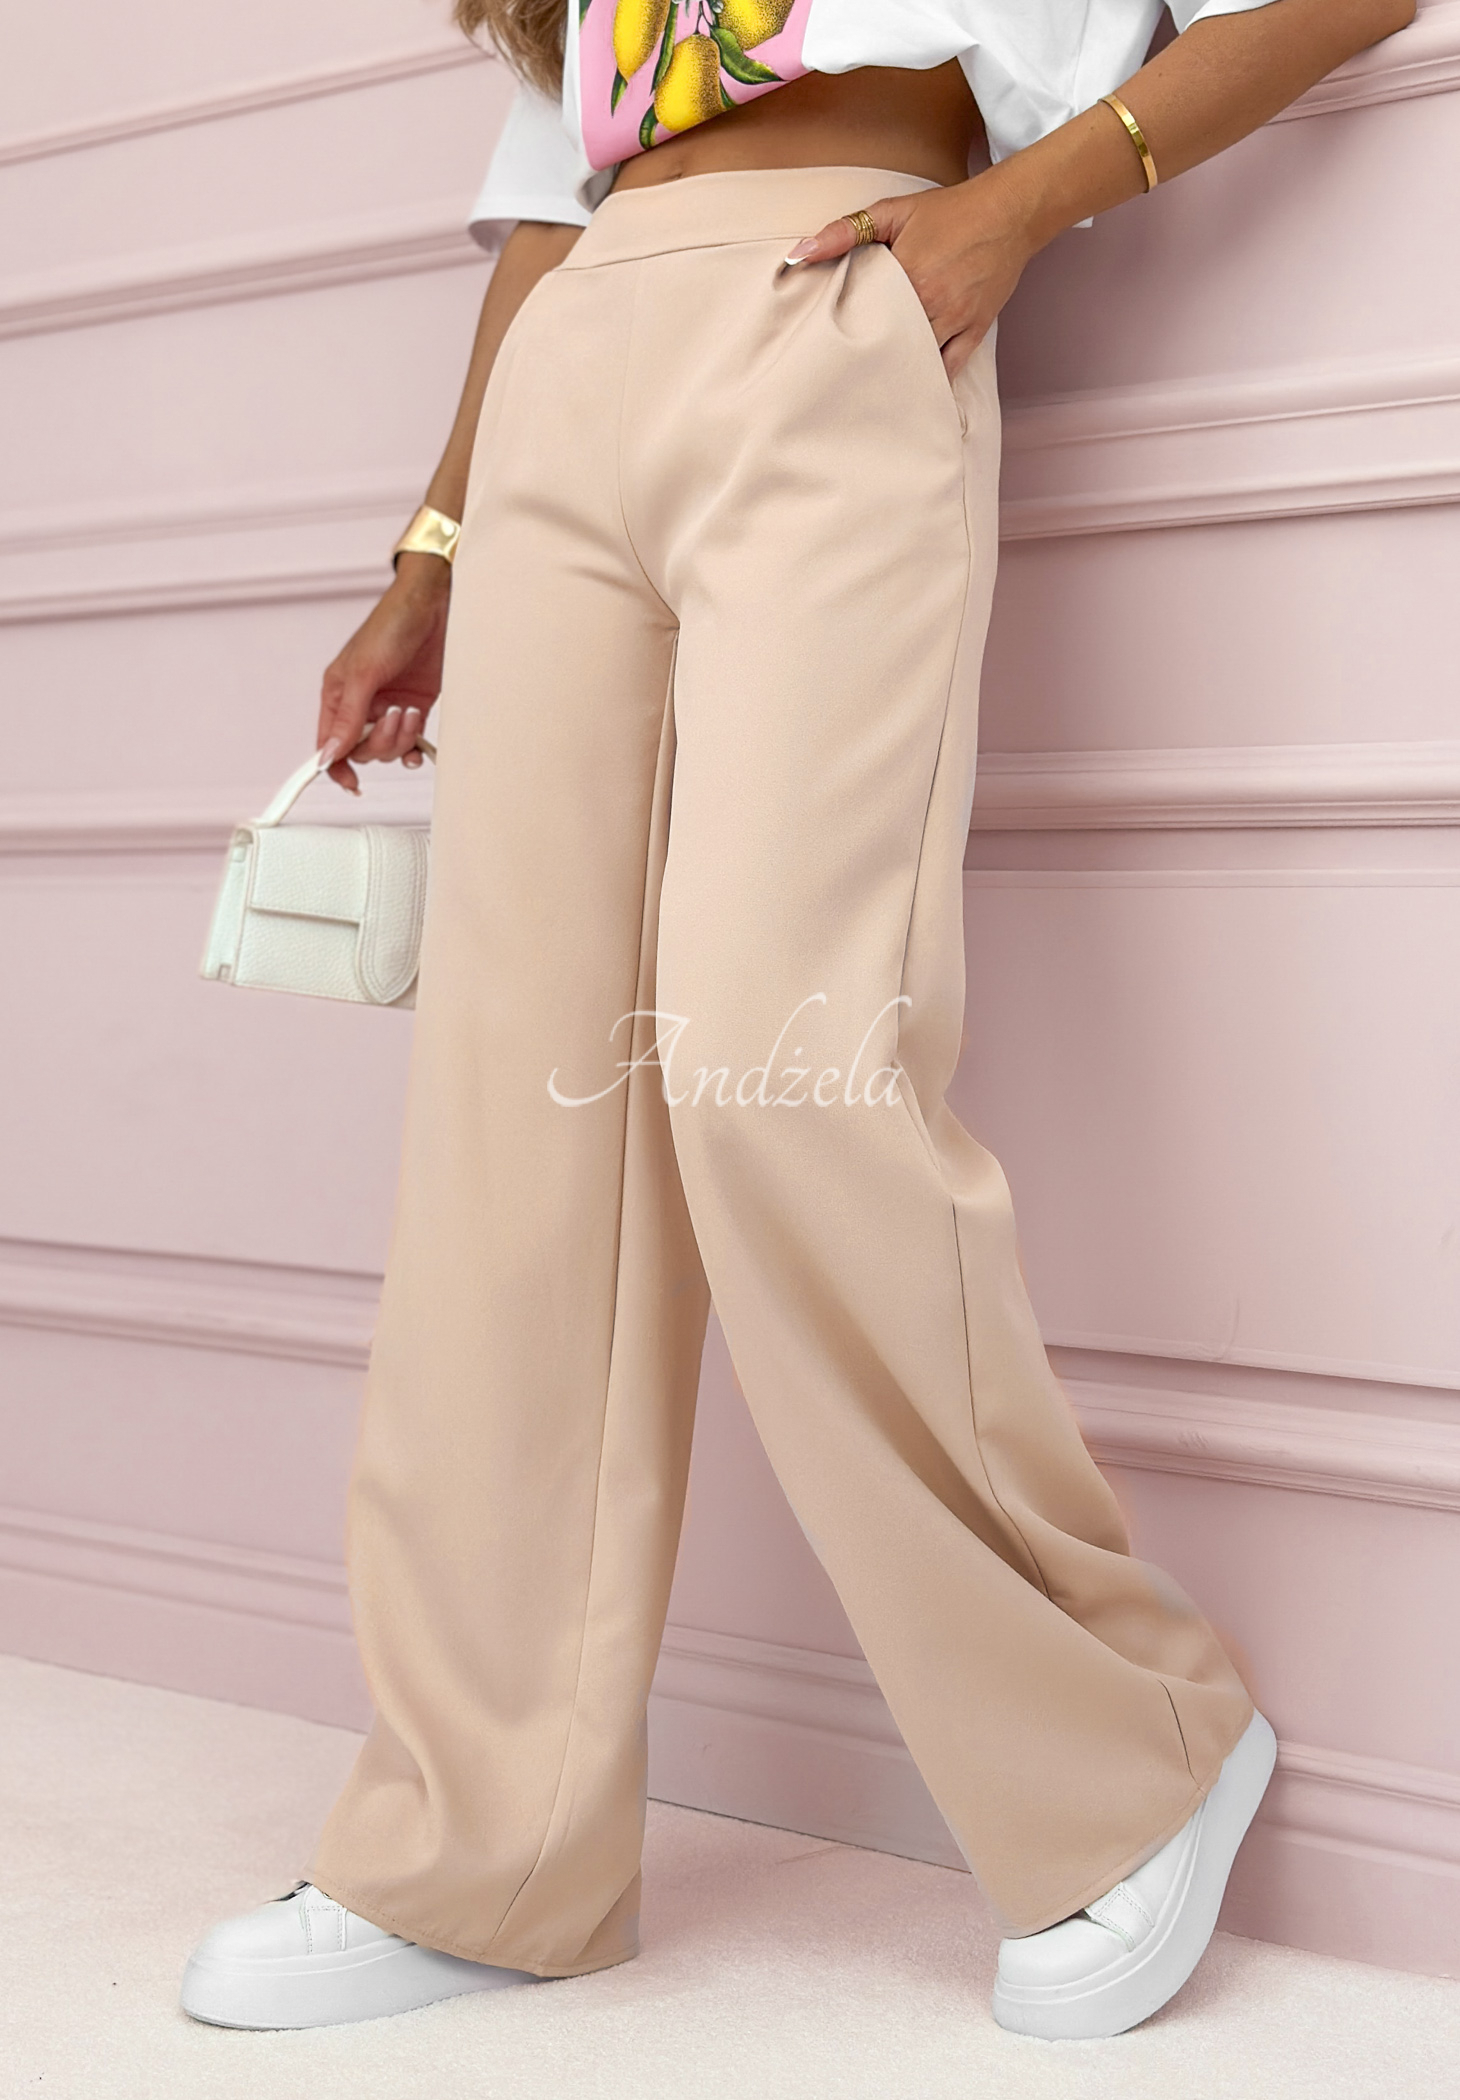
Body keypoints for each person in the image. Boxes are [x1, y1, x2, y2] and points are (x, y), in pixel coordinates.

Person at [179, 0, 1414, 2044]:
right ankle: (479, 1845)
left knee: (784, 1067)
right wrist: (428, 555)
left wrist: (1019, 207)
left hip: (846, 297)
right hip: (579, 361)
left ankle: (1125, 1748)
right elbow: (548, 210)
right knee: (516, 1130)